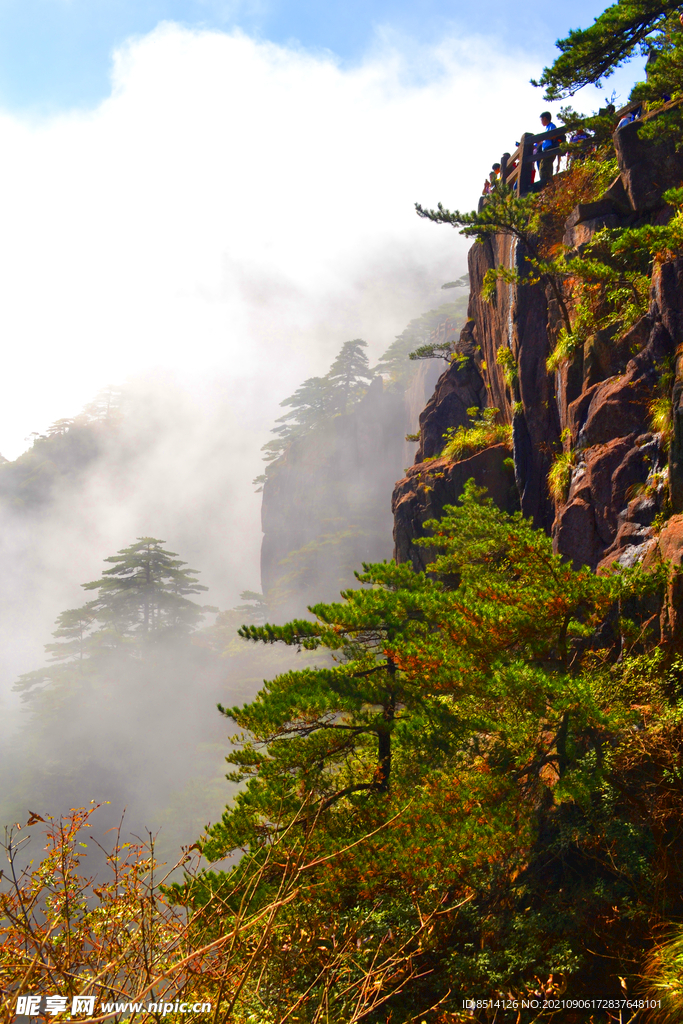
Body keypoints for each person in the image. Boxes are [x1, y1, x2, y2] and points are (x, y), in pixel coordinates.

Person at [538, 111, 559, 182]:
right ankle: (548, 183)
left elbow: (554, 136)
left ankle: (545, 183)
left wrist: (545, 137)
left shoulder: (551, 126)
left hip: (550, 148)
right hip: (546, 149)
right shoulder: (547, 127)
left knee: (544, 167)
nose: (541, 122)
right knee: (547, 166)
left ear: (545, 118)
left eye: (541, 120)